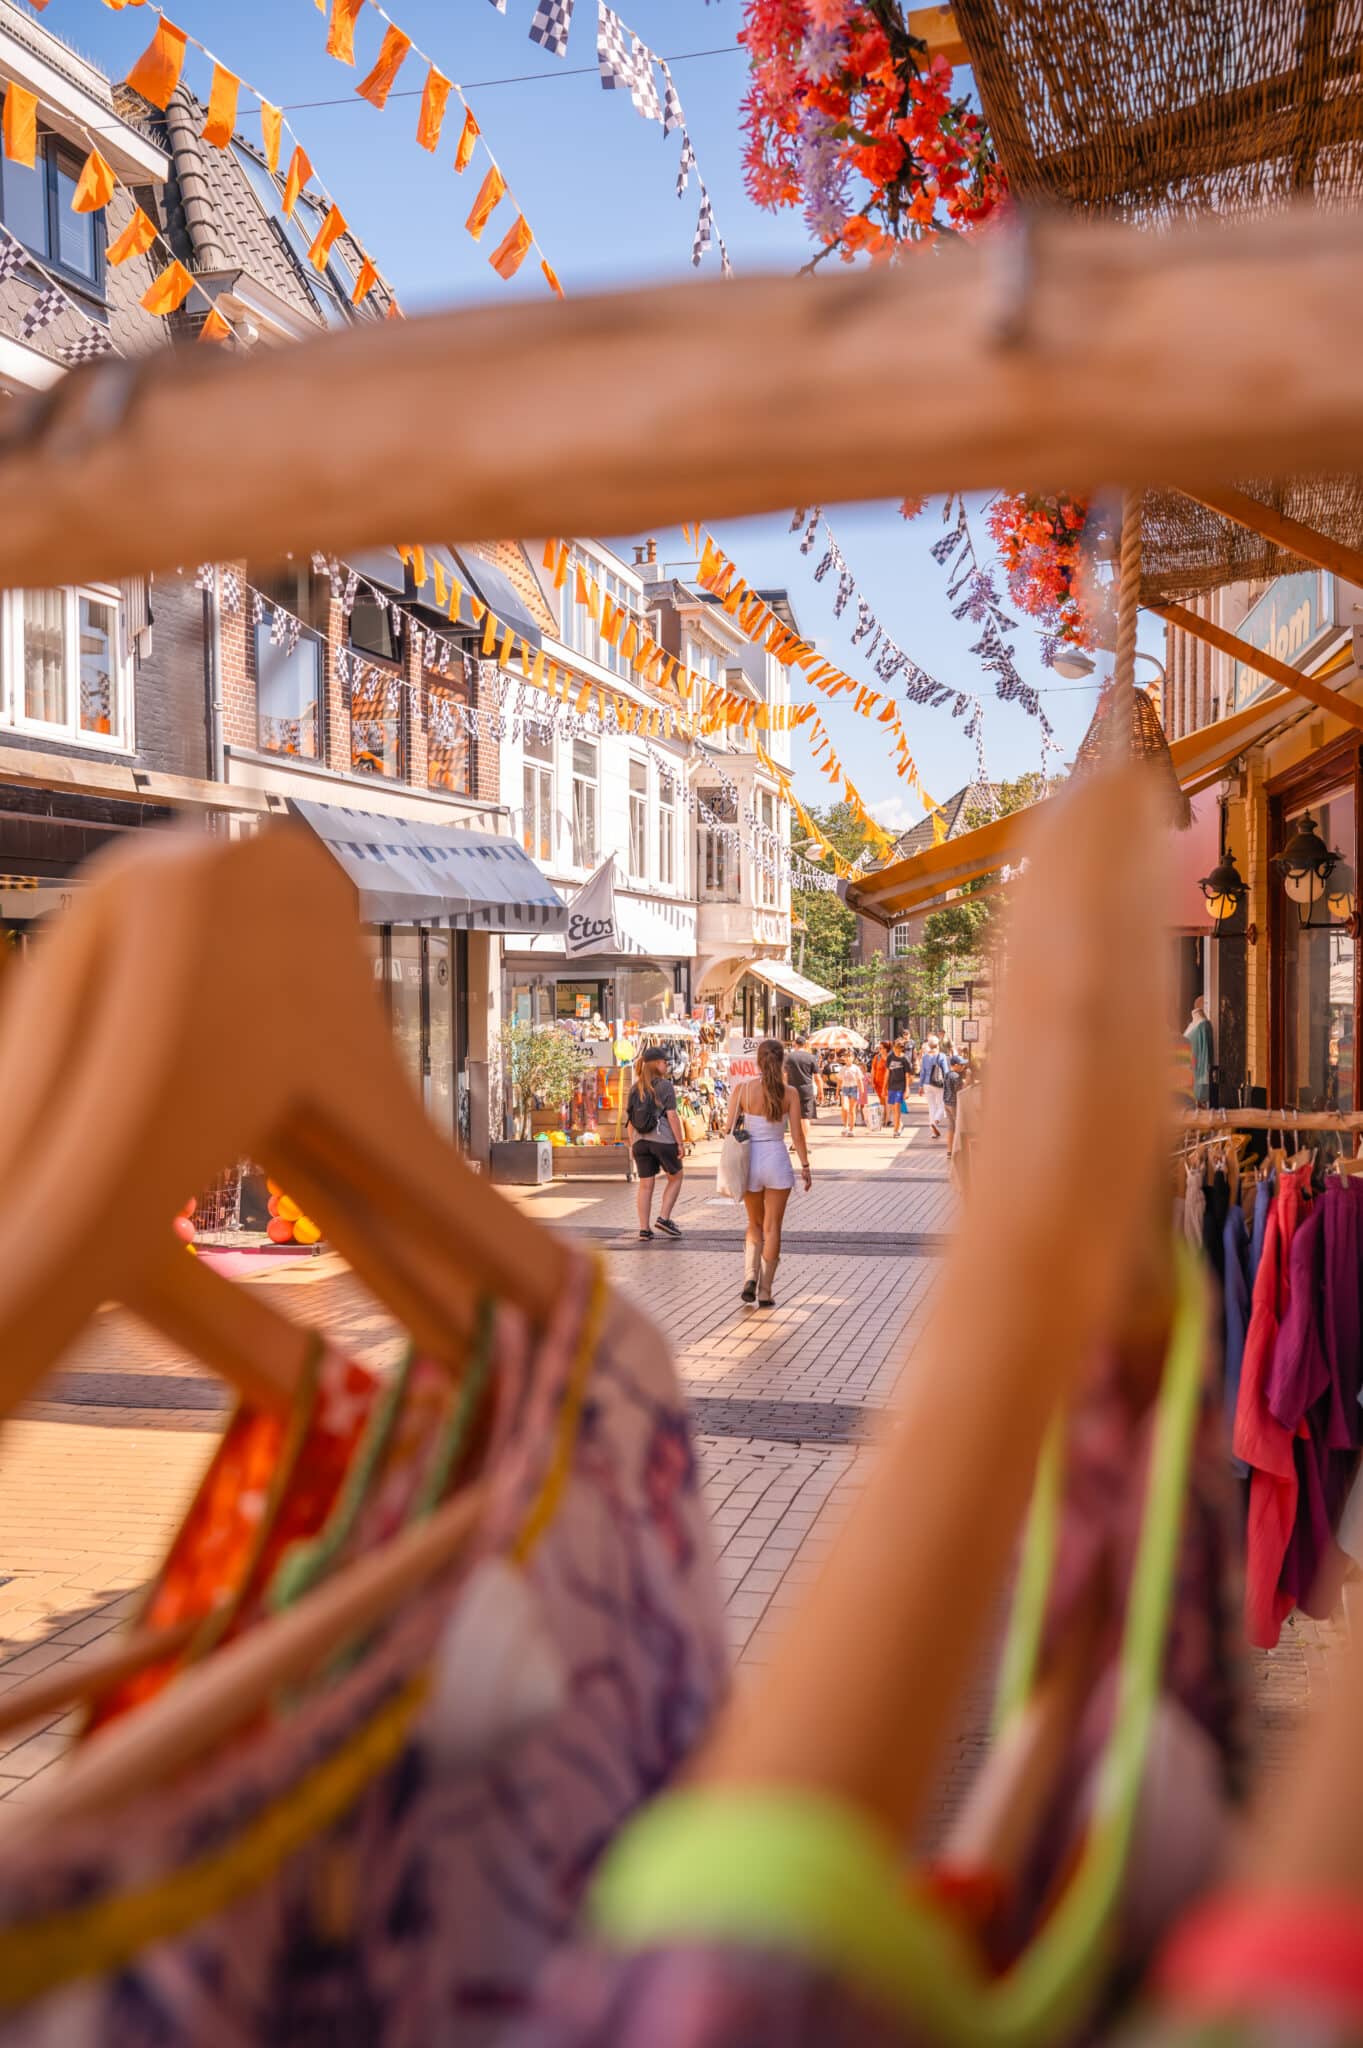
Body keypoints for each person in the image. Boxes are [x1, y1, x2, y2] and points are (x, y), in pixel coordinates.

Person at [726, 1036, 811, 1307]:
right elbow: (797, 1135)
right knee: (773, 1228)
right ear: (782, 1060)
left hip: (750, 1160)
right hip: (777, 1160)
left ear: (758, 1061)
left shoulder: (742, 1090)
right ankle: (765, 1291)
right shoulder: (790, 1094)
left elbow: (727, 1128)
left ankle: (749, 1277)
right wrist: (806, 1166)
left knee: (755, 1224)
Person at [626, 1046, 685, 1241]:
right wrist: (680, 1143)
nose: (667, 1065)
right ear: (656, 1064)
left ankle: (644, 1229)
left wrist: (632, 1145)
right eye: (664, 1062)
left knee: (645, 1185)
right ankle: (664, 1218)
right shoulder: (665, 1086)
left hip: (639, 1142)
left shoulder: (634, 1088)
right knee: (676, 1176)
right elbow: (672, 1116)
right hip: (662, 1139)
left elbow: (629, 1121)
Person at [784, 1031, 818, 1125]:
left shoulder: (788, 1057)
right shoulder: (811, 1058)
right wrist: (821, 1092)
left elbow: (784, 1075)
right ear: (804, 1044)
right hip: (807, 1091)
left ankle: (796, 1138)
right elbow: (817, 1076)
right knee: (806, 1117)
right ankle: (804, 1138)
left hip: (792, 1090)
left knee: (794, 1115)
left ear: (795, 1044)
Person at [1187, 995, 1214, 1107]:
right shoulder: (1191, 1025)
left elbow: (1205, 1057)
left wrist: (1203, 1088)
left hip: (1197, 1081)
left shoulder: (1204, 1025)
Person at [919, 1034, 948, 1138]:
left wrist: (920, 1086)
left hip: (927, 1084)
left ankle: (933, 1131)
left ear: (929, 1045)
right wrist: (948, 1084)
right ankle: (935, 1122)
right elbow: (945, 1071)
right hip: (938, 1084)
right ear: (937, 1045)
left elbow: (922, 1072)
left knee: (931, 1107)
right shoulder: (941, 1056)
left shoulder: (925, 1057)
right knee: (942, 1104)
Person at [884, 1039, 911, 1136]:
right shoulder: (890, 1057)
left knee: (897, 1107)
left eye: (899, 1048)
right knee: (893, 1108)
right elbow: (887, 1072)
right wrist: (884, 1087)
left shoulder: (905, 1059)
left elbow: (907, 1075)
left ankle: (896, 1130)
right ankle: (900, 1124)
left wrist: (907, 1089)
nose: (897, 1050)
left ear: (902, 1048)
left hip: (901, 1086)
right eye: (895, 1048)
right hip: (891, 1085)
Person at [941, 1053, 967, 1156]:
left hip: (947, 1103)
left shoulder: (947, 1074)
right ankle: (958, 1150)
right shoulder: (956, 1076)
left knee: (951, 1127)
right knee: (958, 1126)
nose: (963, 1067)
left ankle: (949, 1150)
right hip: (954, 1104)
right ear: (955, 1065)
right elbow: (960, 1090)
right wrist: (967, 1081)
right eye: (961, 1065)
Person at [836, 1050, 865, 1136]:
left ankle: (851, 1129)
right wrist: (837, 1092)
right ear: (844, 1058)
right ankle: (845, 1126)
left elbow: (859, 1080)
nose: (848, 1058)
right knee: (845, 1108)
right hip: (845, 1089)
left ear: (853, 1058)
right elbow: (839, 1081)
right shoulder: (842, 1069)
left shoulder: (856, 1068)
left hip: (854, 1089)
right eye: (846, 1056)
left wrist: (862, 1091)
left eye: (850, 1056)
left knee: (852, 1110)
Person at [870, 1040, 890, 1113]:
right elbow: (873, 1070)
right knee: (882, 1101)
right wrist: (872, 1081)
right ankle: (884, 1118)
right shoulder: (877, 1057)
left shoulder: (890, 1058)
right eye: (879, 1048)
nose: (879, 1050)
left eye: (881, 1048)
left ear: (886, 1049)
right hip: (877, 1084)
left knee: (886, 1101)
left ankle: (887, 1119)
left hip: (887, 1084)